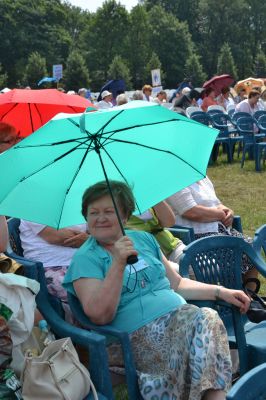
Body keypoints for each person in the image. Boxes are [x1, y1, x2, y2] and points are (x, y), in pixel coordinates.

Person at [63, 180, 250, 400]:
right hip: (132, 338)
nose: (100, 218)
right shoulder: (86, 258)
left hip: (179, 323)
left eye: (109, 211)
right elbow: (99, 314)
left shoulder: (143, 240)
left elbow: (177, 284)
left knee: (204, 320)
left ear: (125, 217)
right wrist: (117, 263)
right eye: (93, 213)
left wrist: (220, 291)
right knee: (203, 321)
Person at [166, 177, 258, 287]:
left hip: (218, 230)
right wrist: (220, 215)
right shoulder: (174, 179)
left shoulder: (201, 177)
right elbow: (190, 211)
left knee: (252, 248)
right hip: (197, 235)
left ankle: (249, 297)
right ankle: (234, 296)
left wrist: (229, 211)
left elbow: (216, 203)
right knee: (236, 253)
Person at [19, 220, 89, 318]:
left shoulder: (76, 206)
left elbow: (100, 232)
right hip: (50, 266)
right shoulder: (33, 207)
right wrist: (91, 240)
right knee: (90, 295)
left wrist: (90, 239)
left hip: (82, 262)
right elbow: (58, 237)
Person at [126, 201, 186, 268]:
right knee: (177, 270)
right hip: (144, 253)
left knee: (193, 263)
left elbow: (169, 223)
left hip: (170, 245)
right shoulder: (117, 207)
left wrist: (156, 198)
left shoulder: (146, 197)